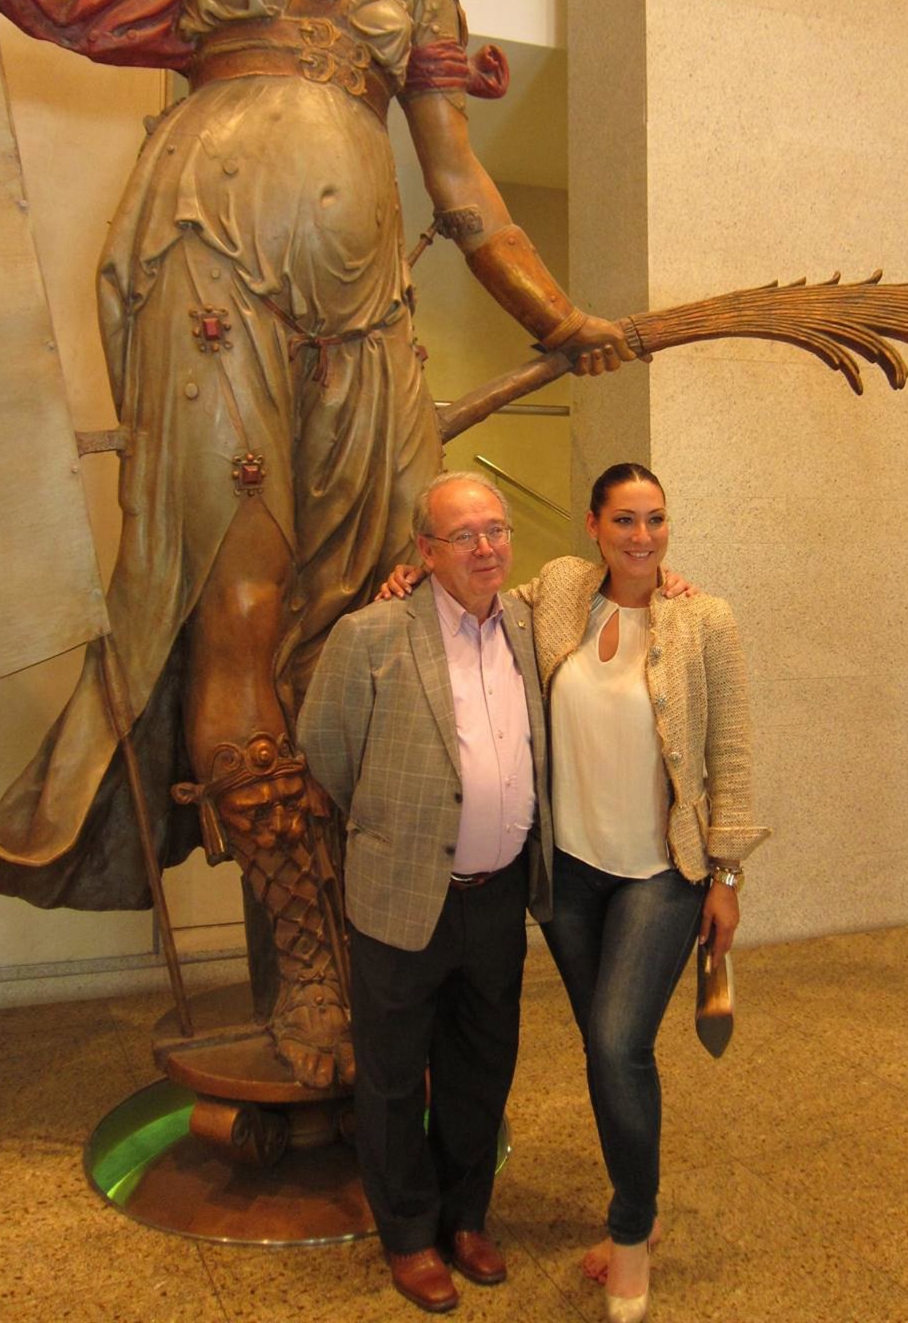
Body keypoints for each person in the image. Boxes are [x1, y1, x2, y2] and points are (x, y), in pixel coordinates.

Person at [0, 0, 632, 1088]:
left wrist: (559, 316)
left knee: (379, 618)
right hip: (205, 259)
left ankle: (380, 938)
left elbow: (464, 191)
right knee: (237, 609)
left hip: (363, 311)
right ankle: (308, 960)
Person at [380, 462, 770, 1323]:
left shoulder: (704, 620)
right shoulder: (558, 592)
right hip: (571, 874)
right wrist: (412, 576)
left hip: (661, 874)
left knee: (619, 1043)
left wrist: (728, 876)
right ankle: (644, 1205)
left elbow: (732, 757)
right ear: (593, 526)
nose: (643, 536)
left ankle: (631, 1232)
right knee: (603, 1048)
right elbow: (476, 594)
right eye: (624, 520)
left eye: (656, 519)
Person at [298, 472, 550, 1314]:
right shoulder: (371, 634)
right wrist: (393, 829)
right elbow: (326, 749)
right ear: (425, 551)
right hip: (404, 892)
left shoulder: (529, 625)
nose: (486, 548)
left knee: (482, 1066)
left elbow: (622, 574)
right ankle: (408, 1234)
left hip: (498, 896)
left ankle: (465, 1217)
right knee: (395, 1076)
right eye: (463, 535)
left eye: (496, 530)